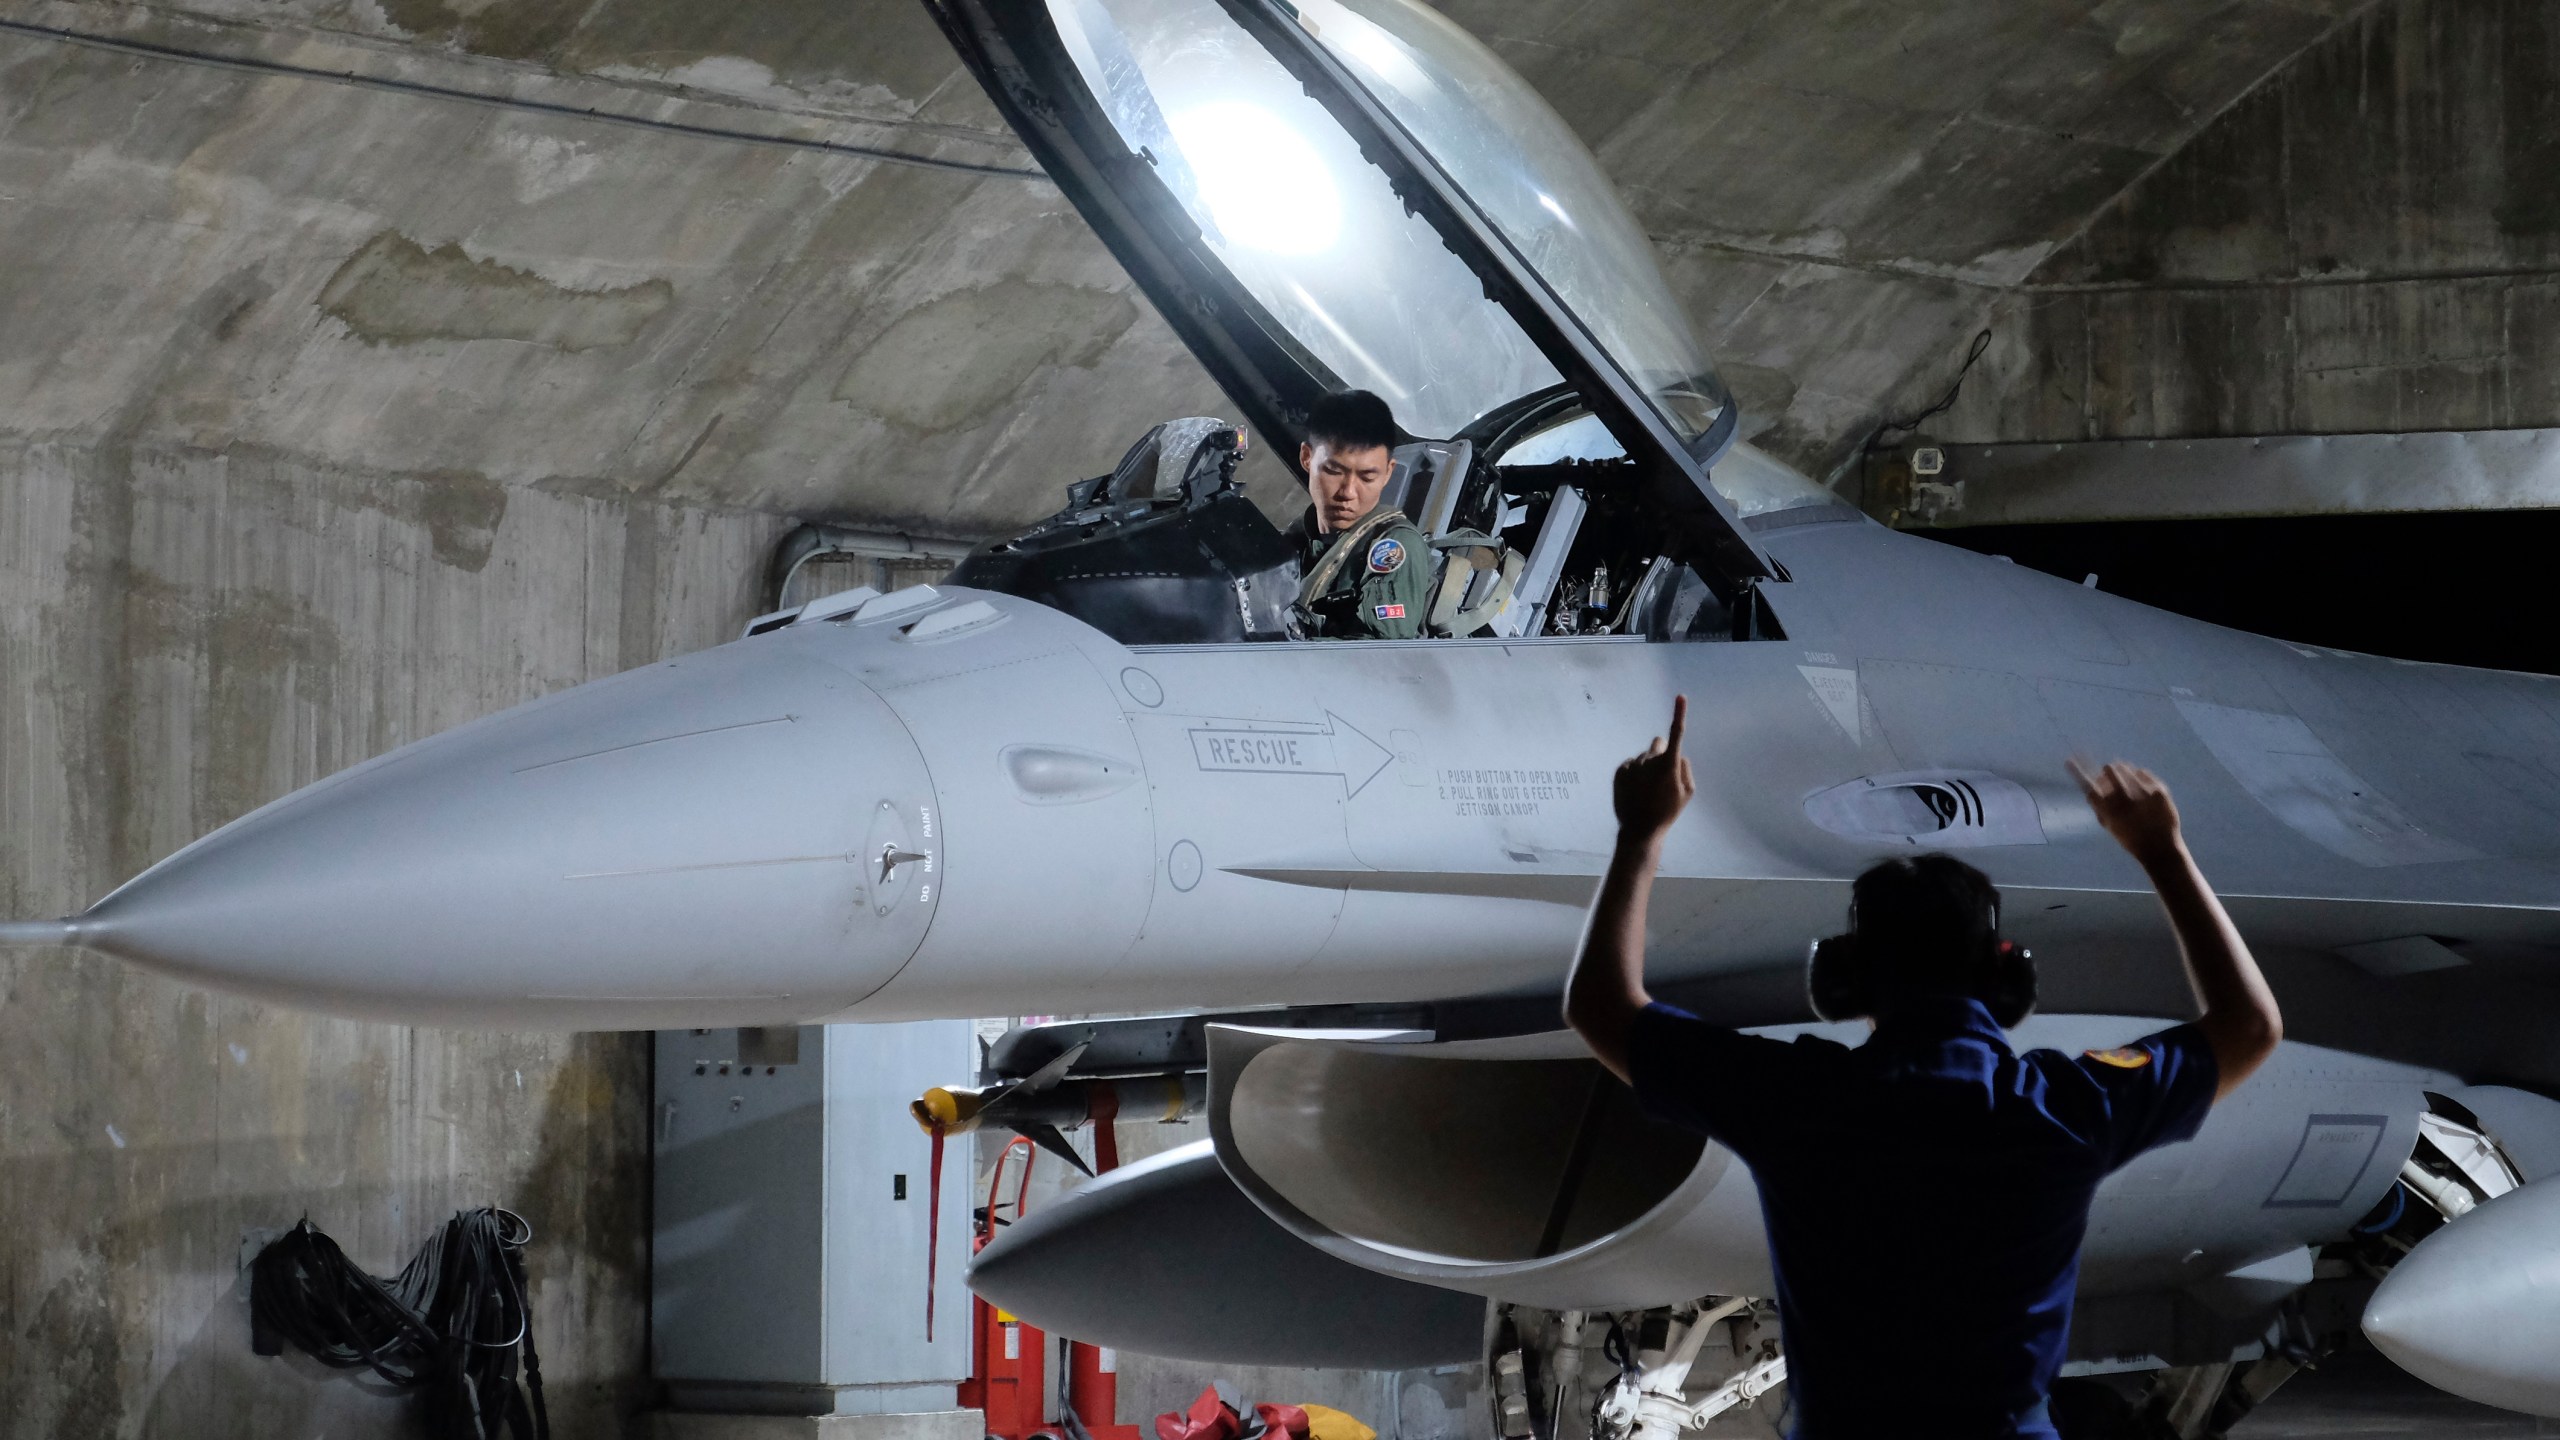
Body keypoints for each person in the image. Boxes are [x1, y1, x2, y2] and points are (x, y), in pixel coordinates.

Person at [1562, 696, 2283, 1440]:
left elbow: (1602, 1006)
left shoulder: (1795, 1100)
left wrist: (1640, 835)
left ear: (1844, 978)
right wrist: (2161, 849)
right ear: (2005, 978)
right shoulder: (2064, 1106)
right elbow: (2251, 1026)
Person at [1284, 389, 1431, 640]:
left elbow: (1379, 659)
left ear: (1387, 473)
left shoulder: (1392, 548)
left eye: (1367, 477)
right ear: (1307, 458)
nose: (1348, 492)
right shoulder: (1300, 536)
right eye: (1333, 471)